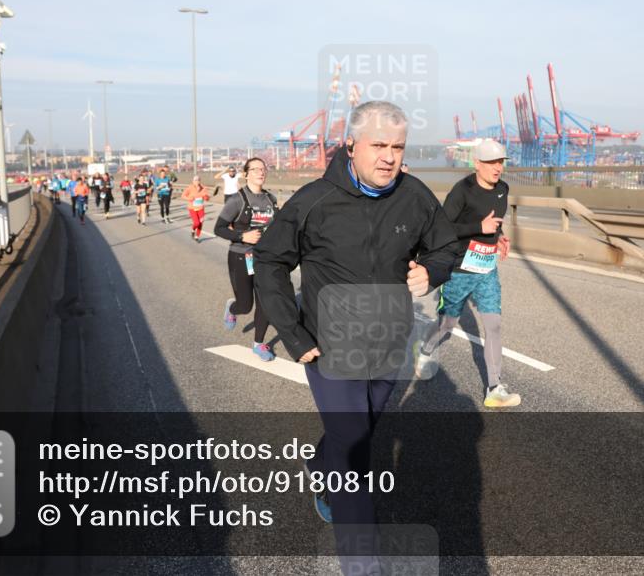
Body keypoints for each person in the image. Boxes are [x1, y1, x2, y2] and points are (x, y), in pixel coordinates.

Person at [253, 101, 459, 569]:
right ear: (352, 145)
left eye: (398, 147)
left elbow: (447, 245)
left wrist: (432, 270)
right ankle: (362, 561)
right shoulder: (313, 200)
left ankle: (318, 465)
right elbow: (269, 261)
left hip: (388, 342)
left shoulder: (415, 195)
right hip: (329, 344)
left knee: (357, 432)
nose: (389, 157)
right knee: (352, 447)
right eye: (379, 145)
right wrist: (294, 334)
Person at [414, 139, 519, 409]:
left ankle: (495, 386)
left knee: (493, 325)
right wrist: (478, 226)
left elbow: (493, 222)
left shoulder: (503, 189)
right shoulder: (462, 191)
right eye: (491, 163)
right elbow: (443, 227)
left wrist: (499, 237)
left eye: (501, 162)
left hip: (486, 269)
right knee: (447, 326)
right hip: (458, 269)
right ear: (477, 164)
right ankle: (426, 350)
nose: (497, 168)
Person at [214, 158, 278, 361]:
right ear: (246, 174)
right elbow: (219, 228)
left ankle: (259, 344)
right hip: (241, 257)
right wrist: (243, 236)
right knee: (246, 305)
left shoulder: (271, 199)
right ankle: (233, 307)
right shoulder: (237, 200)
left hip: (265, 259)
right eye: (255, 169)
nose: (260, 172)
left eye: (263, 168)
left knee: (266, 303)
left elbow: (278, 227)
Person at [182, 175, 211, 241]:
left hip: (201, 208)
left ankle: (197, 236)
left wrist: (206, 197)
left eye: (198, 180)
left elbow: (207, 199)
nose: (197, 181)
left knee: (201, 222)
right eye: (195, 180)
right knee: (196, 223)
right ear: (193, 181)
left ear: (200, 181)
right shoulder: (190, 188)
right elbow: (183, 196)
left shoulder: (203, 188)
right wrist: (189, 198)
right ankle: (193, 230)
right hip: (192, 208)